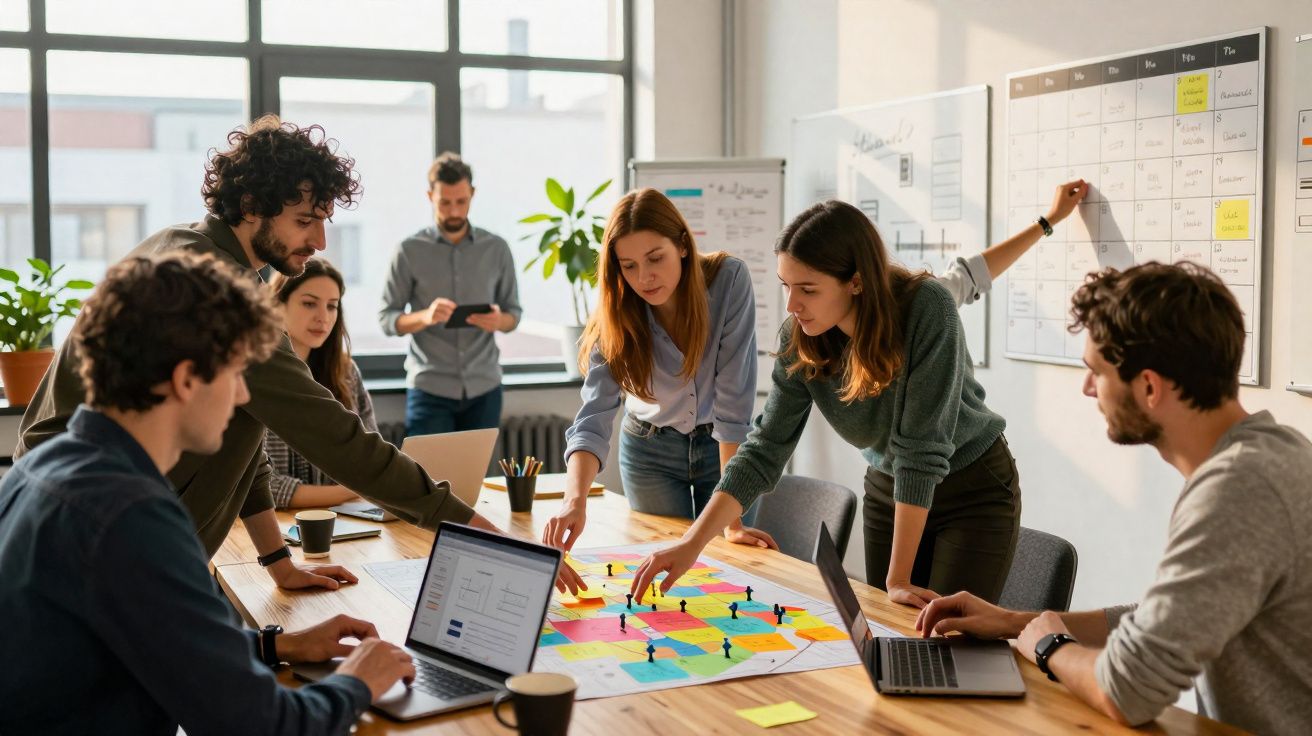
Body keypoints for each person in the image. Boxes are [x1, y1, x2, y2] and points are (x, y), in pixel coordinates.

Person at [15, 116, 583, 596]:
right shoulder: (220, 291)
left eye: (324, 221)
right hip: (94, 533)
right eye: (305, 221)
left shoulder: (187, 249)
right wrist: (478, 529)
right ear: (251, 206)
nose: (320, 242)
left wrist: (277, 562)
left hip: (61, 509)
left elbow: (244, 441)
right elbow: (334, 436)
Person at [0, 253, 415, 734]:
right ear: (185, 380)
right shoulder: (132, 515)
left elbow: (156, 636)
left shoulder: (45, 468)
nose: (243, 395)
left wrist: (277, 645)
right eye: (237, 373)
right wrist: (358, 682)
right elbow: (260, 726)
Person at [629, 180, 1088, 609]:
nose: (791, 305)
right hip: (889, 483)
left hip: (970, 486)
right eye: (786, 286)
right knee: (887, 627)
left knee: (947, 635)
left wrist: (898, 578)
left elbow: (921, 449)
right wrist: (691, 544)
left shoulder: (926, 309)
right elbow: (765, 448)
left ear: (856, 281)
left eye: (808, 289)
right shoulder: (800, 337)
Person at [915, 262, 1312, 734]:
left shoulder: (1238, 492)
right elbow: (1166, 620)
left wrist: (1049, 646)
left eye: (1096, 372)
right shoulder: (1269, 452)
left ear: (1149, 387)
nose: (1087, 388)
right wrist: (1015, 622)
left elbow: (1127, 691)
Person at [542, 188, 776, 554]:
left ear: (682, 245)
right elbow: (593, 417)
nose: (644, 278)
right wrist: (574, 501)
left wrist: (732, 524)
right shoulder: (616, 310)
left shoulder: (728, 280)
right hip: (650, 453)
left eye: (655, 258)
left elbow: (733, 405)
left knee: (731, 560)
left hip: (724, 448)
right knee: (661, 564)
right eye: (629, 266)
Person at [379, 152, 521, 436]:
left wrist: (499, 321)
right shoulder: (408, 251)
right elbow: (387, 319)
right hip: (430, 389)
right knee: (427, 467)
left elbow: (513, 314)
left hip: (485, 388)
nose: (454, 211)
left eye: (461, 201)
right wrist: (425, 317)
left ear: (473, 194)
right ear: (430, 196)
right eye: (445, 202)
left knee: (478, 467)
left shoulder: (497, 249)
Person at [265, 257, 369, 509]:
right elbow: (265, 488)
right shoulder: (258, 374)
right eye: (309, 303)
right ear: (278, 305)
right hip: (277, 521)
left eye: (332, 306)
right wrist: (350, 492)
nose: (323, 317)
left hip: (346, 516)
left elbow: (370, 457)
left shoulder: (346, 372)